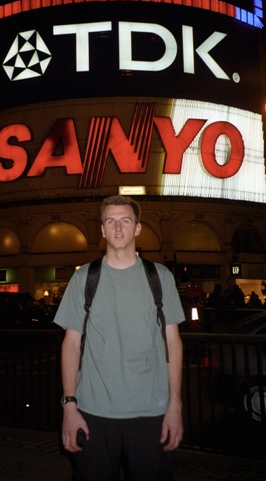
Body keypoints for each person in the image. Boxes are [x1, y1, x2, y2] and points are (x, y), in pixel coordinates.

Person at [53, 195, 185, 480]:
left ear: (137, 227)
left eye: (125, 220)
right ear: (101, 229)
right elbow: (71, 345)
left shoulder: (160, 277)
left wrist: (175, 406)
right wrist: (69, 406)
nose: (118, 228)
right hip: (93, 413)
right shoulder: (84, 278)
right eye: (110, 221)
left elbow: (172, 343)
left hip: (152, 413)